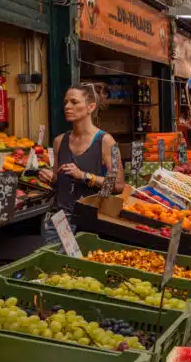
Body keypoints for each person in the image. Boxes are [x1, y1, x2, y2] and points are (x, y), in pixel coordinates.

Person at [37, 83, 125, 245]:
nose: (67, 106)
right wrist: (50, 177)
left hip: (92, 221)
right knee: (58, 266)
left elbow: (118, 185)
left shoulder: (107, 141)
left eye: (74, 102)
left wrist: (84, 176)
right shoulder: (59, 141)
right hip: (61, 220)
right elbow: (58, 180)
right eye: (65, 102)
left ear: (90, 107)